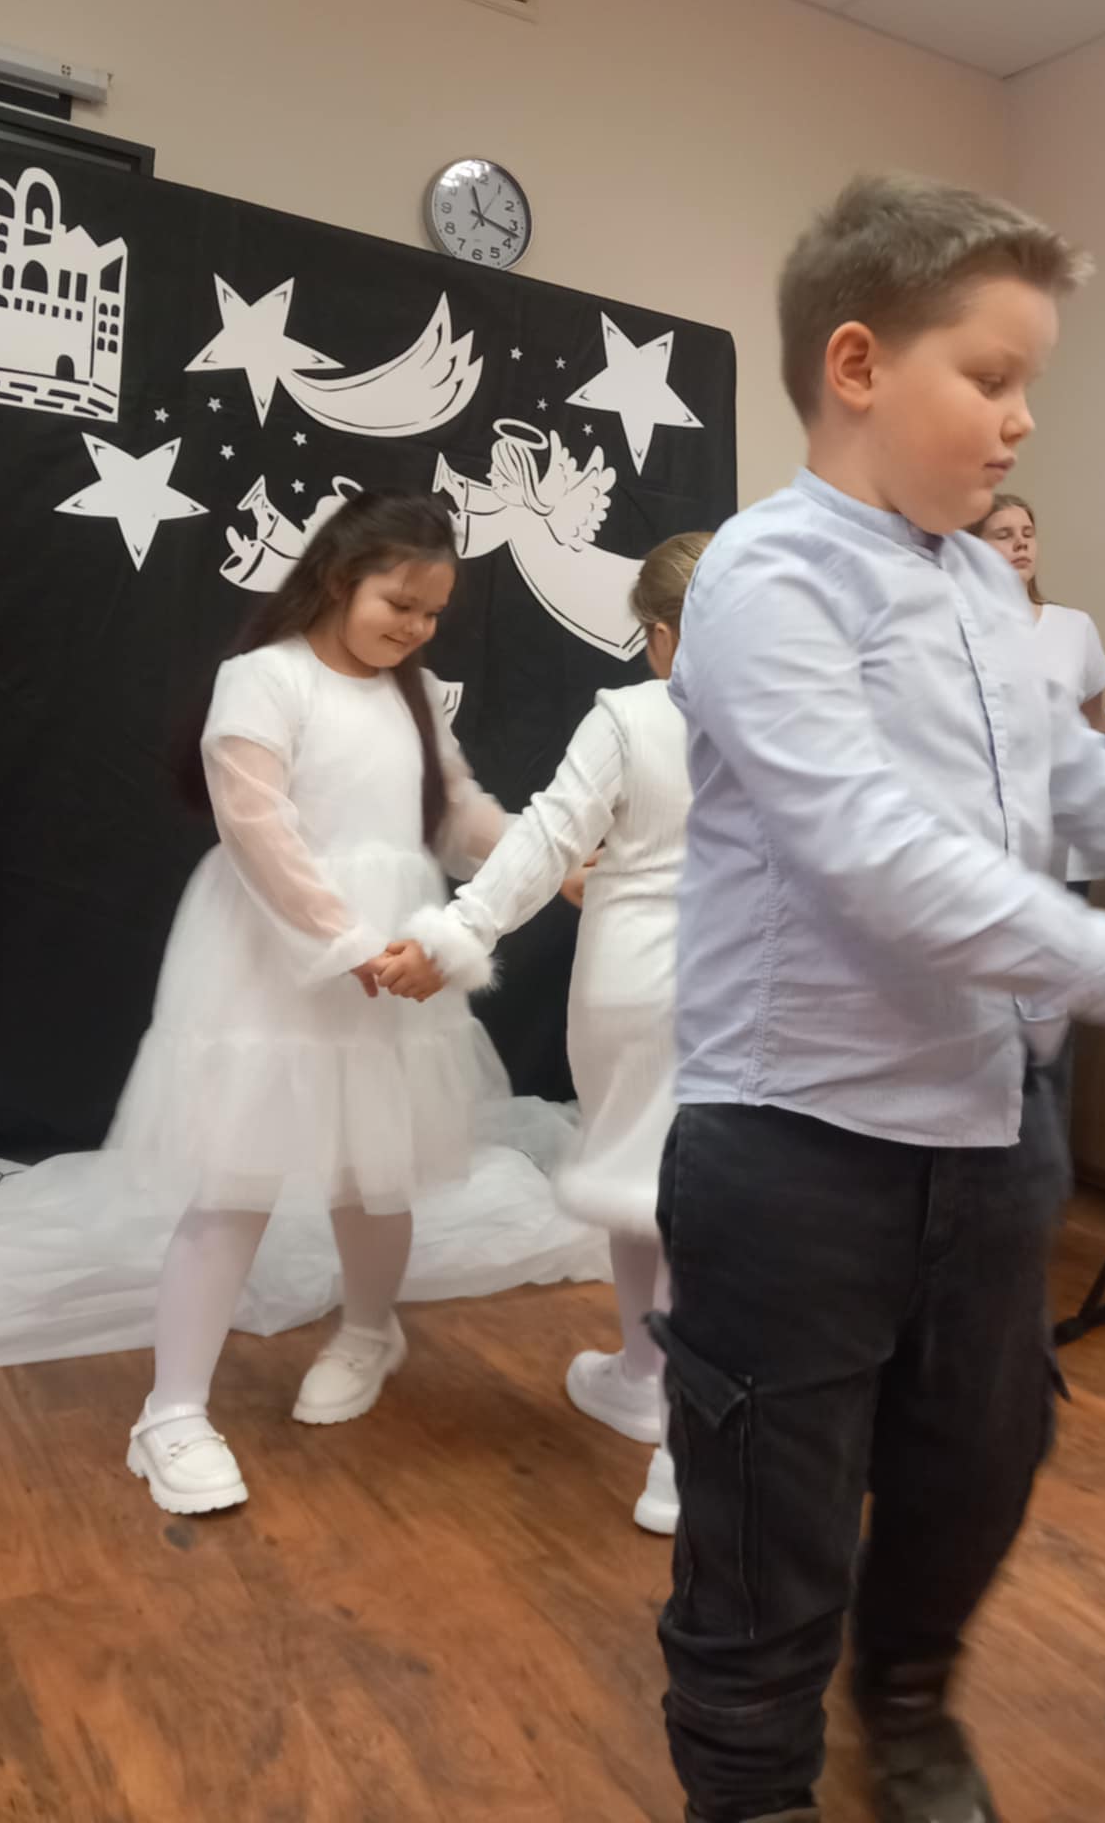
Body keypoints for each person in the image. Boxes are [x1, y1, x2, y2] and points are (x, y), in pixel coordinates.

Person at [648, 172, 1105, 1823]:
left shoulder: (974, 583)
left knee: (979, 1459)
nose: (1023, 421)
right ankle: (752, 1789)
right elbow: (871, 851)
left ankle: (906, 1694)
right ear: (859, 364)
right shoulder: (766, 576)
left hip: (988, 1130)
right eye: (994, 377)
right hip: (797, 1140)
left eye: (1032, 384)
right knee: (772, 1510)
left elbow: (1069, 774)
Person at [111, 491, 502, 1516]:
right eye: (400, 604)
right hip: (272, 953)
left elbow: (456, 813)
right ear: (338, 578)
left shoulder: (414, 696)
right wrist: (347, 943)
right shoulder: (265, 678)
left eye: (432, 613)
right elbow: (258, 827)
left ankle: (370, 1329)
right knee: (232, 1180)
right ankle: (171, 1412)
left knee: (374, 1169)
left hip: (393, 951)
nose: (416, 628)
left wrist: (552, 860)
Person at [384, 531, 712, 1536]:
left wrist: (456, 932)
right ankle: (657, 1395)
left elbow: (544, 840)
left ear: (661, 635)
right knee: (708, 1199)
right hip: (748, 981)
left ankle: (669, 1417)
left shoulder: (632, 715)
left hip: (633, 985)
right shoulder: (803, 716)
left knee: (640, 1180)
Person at [972, 492, 1105, 727]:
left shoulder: (1075, 626)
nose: (1021, 543)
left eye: (1028, 534)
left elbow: (1092, 726)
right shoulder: (954, 626)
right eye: (1003, 535)